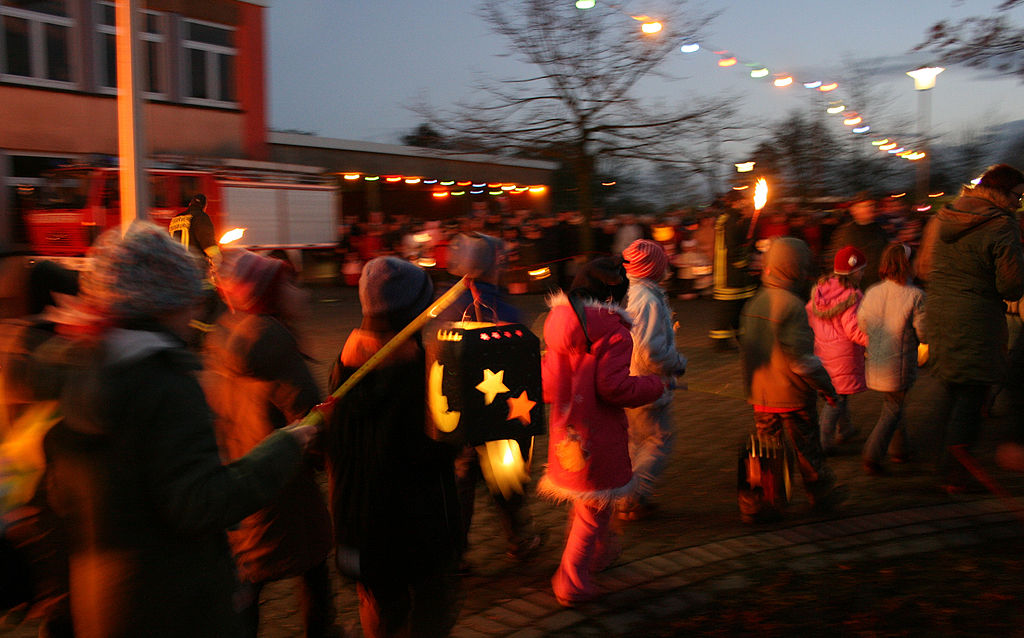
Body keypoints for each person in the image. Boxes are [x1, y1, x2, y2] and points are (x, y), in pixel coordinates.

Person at [39, 221, 323, 638]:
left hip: (105, 602)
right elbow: (200, 502)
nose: (196, 311)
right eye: (189, 299)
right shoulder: (163, 384)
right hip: (173, 602)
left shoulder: (85, 369)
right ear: (163, 302)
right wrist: (282, 448)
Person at [202, 249, 337, 638]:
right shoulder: (274, 340)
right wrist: (324, 453)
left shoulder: (229, 334)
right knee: (307, 564)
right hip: (285, 484)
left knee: (255, 573)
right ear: (269, 294)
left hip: (245, 474)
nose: (300, 291)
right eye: (289, 283)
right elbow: (308, 417)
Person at [325, 256, 462, 638]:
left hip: (358, 523)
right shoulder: (421, 374)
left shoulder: (344, 365)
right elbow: (432, 452)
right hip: (416, 530)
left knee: (379, 608)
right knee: (430, 611)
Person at [538, 256, 666, 607]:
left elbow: (548, 385)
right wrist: (655, 384)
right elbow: (615, 388)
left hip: (567, 432)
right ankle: (571, 579)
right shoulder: (612, 330)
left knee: (586, 501)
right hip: (600, 433)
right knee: (593, 509)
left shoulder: (558, 323)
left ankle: (601, 553)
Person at [433, 233, 541, 566]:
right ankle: (518, 538)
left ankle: (455, 553)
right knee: (505, 477)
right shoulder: (500, 308)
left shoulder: (446, 303)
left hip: (457, 415)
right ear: (493, 264)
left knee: (463, 481)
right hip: (495, 415)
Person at [916, 164, 1024, 494]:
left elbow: (924, 267)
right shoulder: (1002, 224)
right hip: (977, 318)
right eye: (1018, 196)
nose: (1019, 203)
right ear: (1002, 193)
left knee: (950, 386)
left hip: (940, 313)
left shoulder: (944, 215)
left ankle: (939, 461)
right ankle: (955, 472)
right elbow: (1011, 285)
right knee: (972, 393)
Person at [739, 237, 844, 517]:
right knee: (807, 448)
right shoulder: (792, 305)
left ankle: (761, 502)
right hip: (793, 395)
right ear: (796, 267)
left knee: (766, 450)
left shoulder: (755, 302)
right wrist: (826, 387)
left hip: (761, 395)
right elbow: (801, 360)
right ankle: (821, 494)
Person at [617, 239, 687, 520]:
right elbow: (651, 350)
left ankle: (627, 495)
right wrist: (677, 363)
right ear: (652, 269)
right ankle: (632, 497)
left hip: (633, 380)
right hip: (646, 384)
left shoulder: (636, 294)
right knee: (659, 439)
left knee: (636, 441)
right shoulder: (647, 300)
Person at [857, 243, 926, 475]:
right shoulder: (916, 296)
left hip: (877, 361)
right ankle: (872, 455)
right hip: (899, 363)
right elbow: (924, 332)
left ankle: (900, 450)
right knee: (893, 409)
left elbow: (862, 323)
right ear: (907, 265)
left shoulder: (873, 291)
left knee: (894, 406)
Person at [806, 246, 869, 454]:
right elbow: (853, 330)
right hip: (844, 357)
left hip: (822, 353)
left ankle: (845, 428)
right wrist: (873, 341)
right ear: (855, 272)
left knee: (837, 395)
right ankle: (823, 441)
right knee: (837, 400)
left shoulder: (821, 290)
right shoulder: (852, 296)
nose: (863, 274)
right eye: (862, 270)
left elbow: (809, 317)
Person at [709, 191, 757, 350]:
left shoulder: (732, 218)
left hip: (731, 271)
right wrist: (741, 262)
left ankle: (739, 337)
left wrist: (749, 220)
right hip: (729, 272)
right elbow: (732, 245)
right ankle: (721, 342)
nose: (746, 202)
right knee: (727, 308)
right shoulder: (730, 220)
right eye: (743, 200)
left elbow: (742, 238)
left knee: (736, 306)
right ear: (736, 202)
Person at [827, 193, 889, 291]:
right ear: (854, 210)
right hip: (855, 285)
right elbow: (837, 259)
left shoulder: (881, 231)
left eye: (871, 205)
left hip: (877, 283)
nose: (870, 209)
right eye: (865, 206)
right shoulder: (845, 232)